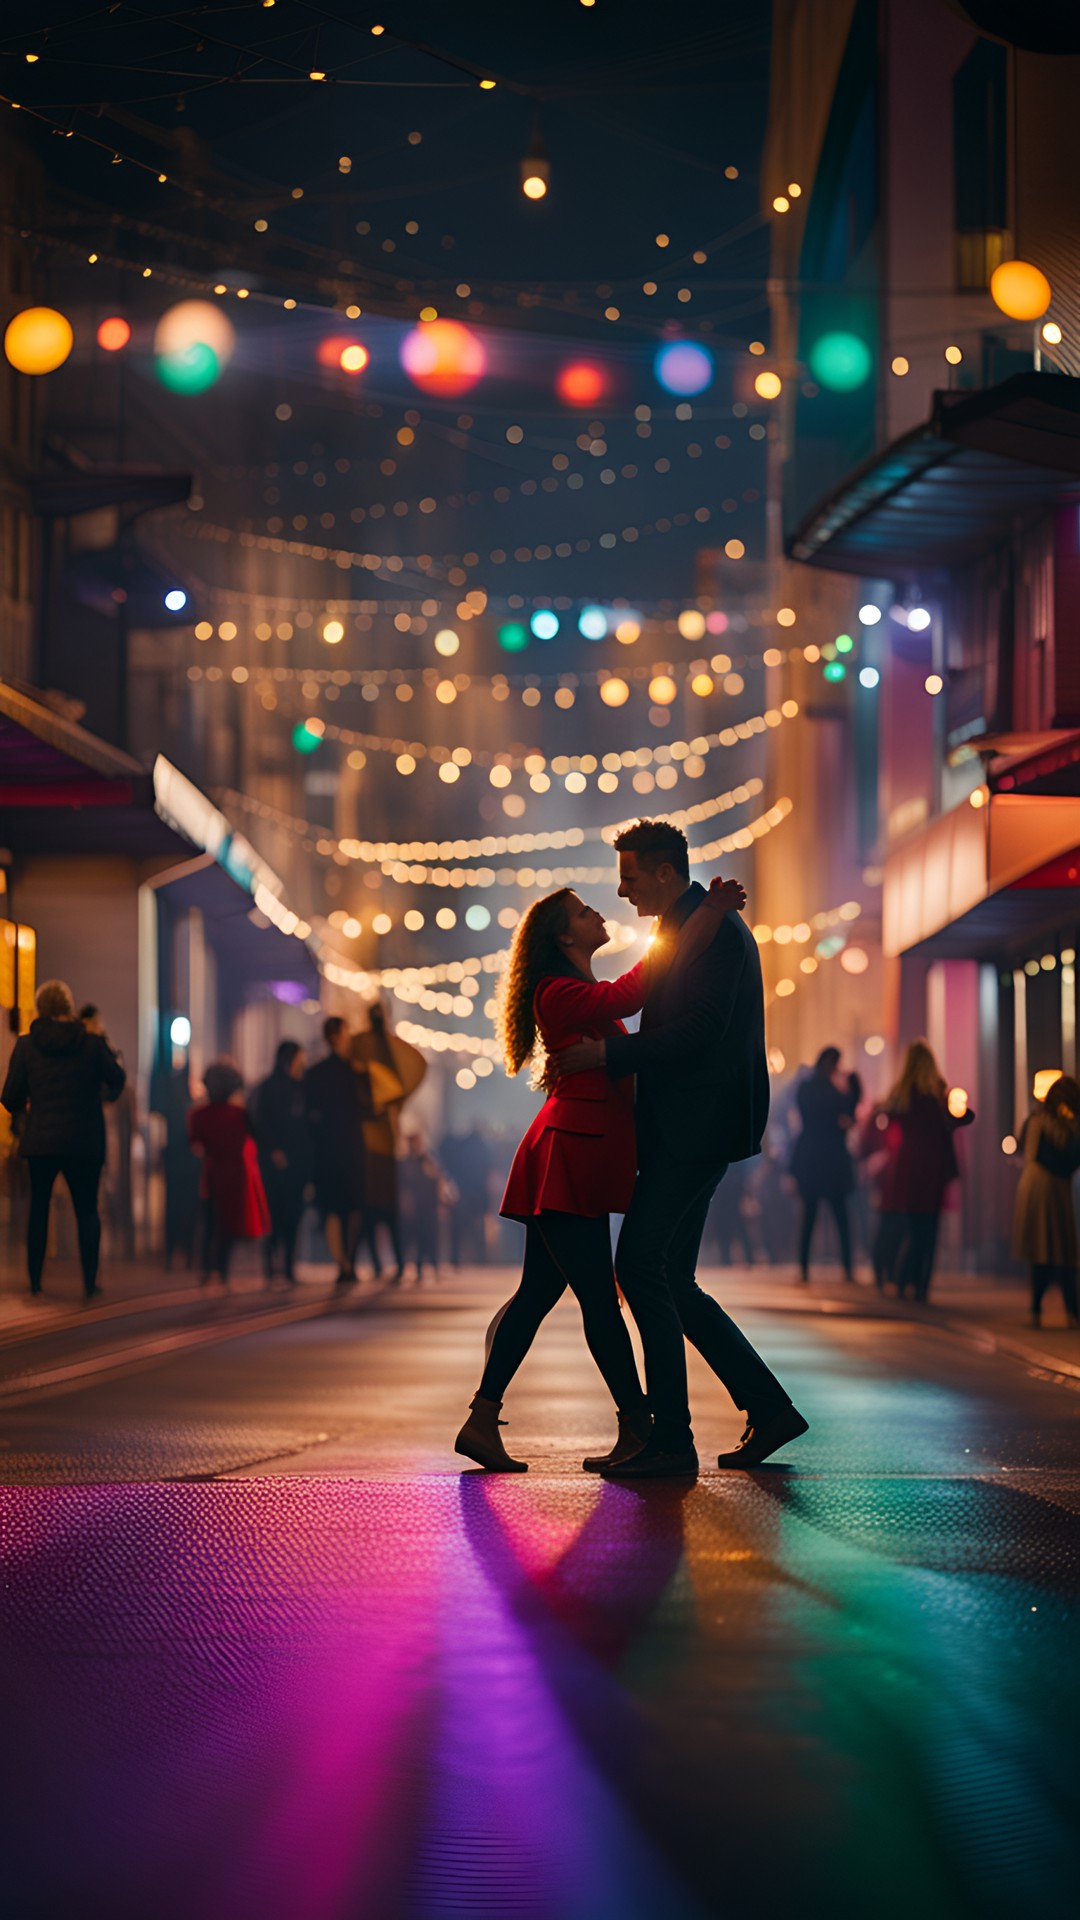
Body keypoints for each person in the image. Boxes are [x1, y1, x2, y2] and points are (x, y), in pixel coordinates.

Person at [455, 873, 746, 1475]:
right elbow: (635, 992)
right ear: (564, 936)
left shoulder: (571, 987)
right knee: (597, 1301)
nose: (598, 913)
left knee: (539, 1293)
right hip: (568, 1155)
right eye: (584, 911)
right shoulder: (559, 990)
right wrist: (705, 916)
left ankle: (483, 1420)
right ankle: (637, 1426)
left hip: (575, 1152)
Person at [554, 819, 809, 1478]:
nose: (622, 890)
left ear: (667, 873)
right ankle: (767, 1407)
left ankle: (672, 1441)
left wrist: (608, 1052)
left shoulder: (714, 931)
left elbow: (700, 1028)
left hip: (698, 1125)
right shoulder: (695, 925)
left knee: (640, 1266)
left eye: (631, 876)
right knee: (668, 1275)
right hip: (694, 1124)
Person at [1, 979, 125, 1301]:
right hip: (85, 1141)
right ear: (69, 1008)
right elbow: (117, 1080)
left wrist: (27, 1112)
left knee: (38, 1210)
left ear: (41, 1008)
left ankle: (35, 1282)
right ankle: (89, 1281)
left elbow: (9, 1096)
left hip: (41, 1140)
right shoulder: (92, 1043)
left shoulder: (27, 1045)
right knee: (87, 1210)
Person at [881, 1039, 975, 1303]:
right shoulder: (936, 1093)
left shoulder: (903, 1092)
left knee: (914, 1229)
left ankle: (903, 1280)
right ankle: (921, 1286)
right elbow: (959, 1119)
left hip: (910, 1167)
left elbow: (889, 1116)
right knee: (930, 1231)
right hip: (934, 1167)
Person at [352, 1004, 426, 1282]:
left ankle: (380, 1262)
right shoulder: (379, 1046)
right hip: (376, 1140)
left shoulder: (366, 1045)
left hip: (371, 1140)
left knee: (373, 1211)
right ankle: (389, 1262)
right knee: (382, 1211)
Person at [187, 1060, 270, 1285]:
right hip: (235, 1177)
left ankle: (207, 1268)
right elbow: (259, 1137)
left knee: (210, 1224)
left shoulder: (199, 1115)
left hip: (211, 1176)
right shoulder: (239, 1114)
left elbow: (195, 1145)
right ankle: (222, 1270)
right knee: (228, 1227)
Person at [305, 1015, 371, 1286]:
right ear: (338, 1036)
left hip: (328, 1148)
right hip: (351, 1146)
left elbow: (310, 1113)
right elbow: (369, 1109)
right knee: (352, 1207)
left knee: (333, 1208)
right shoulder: (356, 1073)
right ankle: (349, 1261)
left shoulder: (315, 1073)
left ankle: (343, 1261)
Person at [1012, 1074, 1080, 1328]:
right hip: (1049, 1188)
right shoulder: (1058, 1125)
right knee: (1059, 1250)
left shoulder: (1037, 1120)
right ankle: (1069, 1310)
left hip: (1040, 1186)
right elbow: (1064, 1159)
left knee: (1044, 1250)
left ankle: (1038, 1308)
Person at [790, 1047, 861, 1285]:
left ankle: (804, 1267)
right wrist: (854, 1088)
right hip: (831, 1160)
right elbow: (848, 1114)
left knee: (808, 1218)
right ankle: (847, 1268)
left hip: (811, 1160)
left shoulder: (806, 1088)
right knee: (841, 1217)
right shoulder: (832, 1092)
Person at [249, 1040, 308, 1284]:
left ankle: (284, 1266)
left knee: (287, 1215)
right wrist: (273, 1149)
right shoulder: (276, 1089)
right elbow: (258, 1121)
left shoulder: (297, 1089)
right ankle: (276, 1266)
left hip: (290, 1163)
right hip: (278, 1164)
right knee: (277, 1214)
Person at [399, 1129, 446, 1281]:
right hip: (416, 1206)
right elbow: (404, 1186)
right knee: (417, 1237)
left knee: (431, 1236)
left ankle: (434, 1266)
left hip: (429, 1205)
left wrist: (440, 1204)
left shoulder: (427, 1159)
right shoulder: (406, 1162)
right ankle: (418, 1266)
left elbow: (436, 1180)